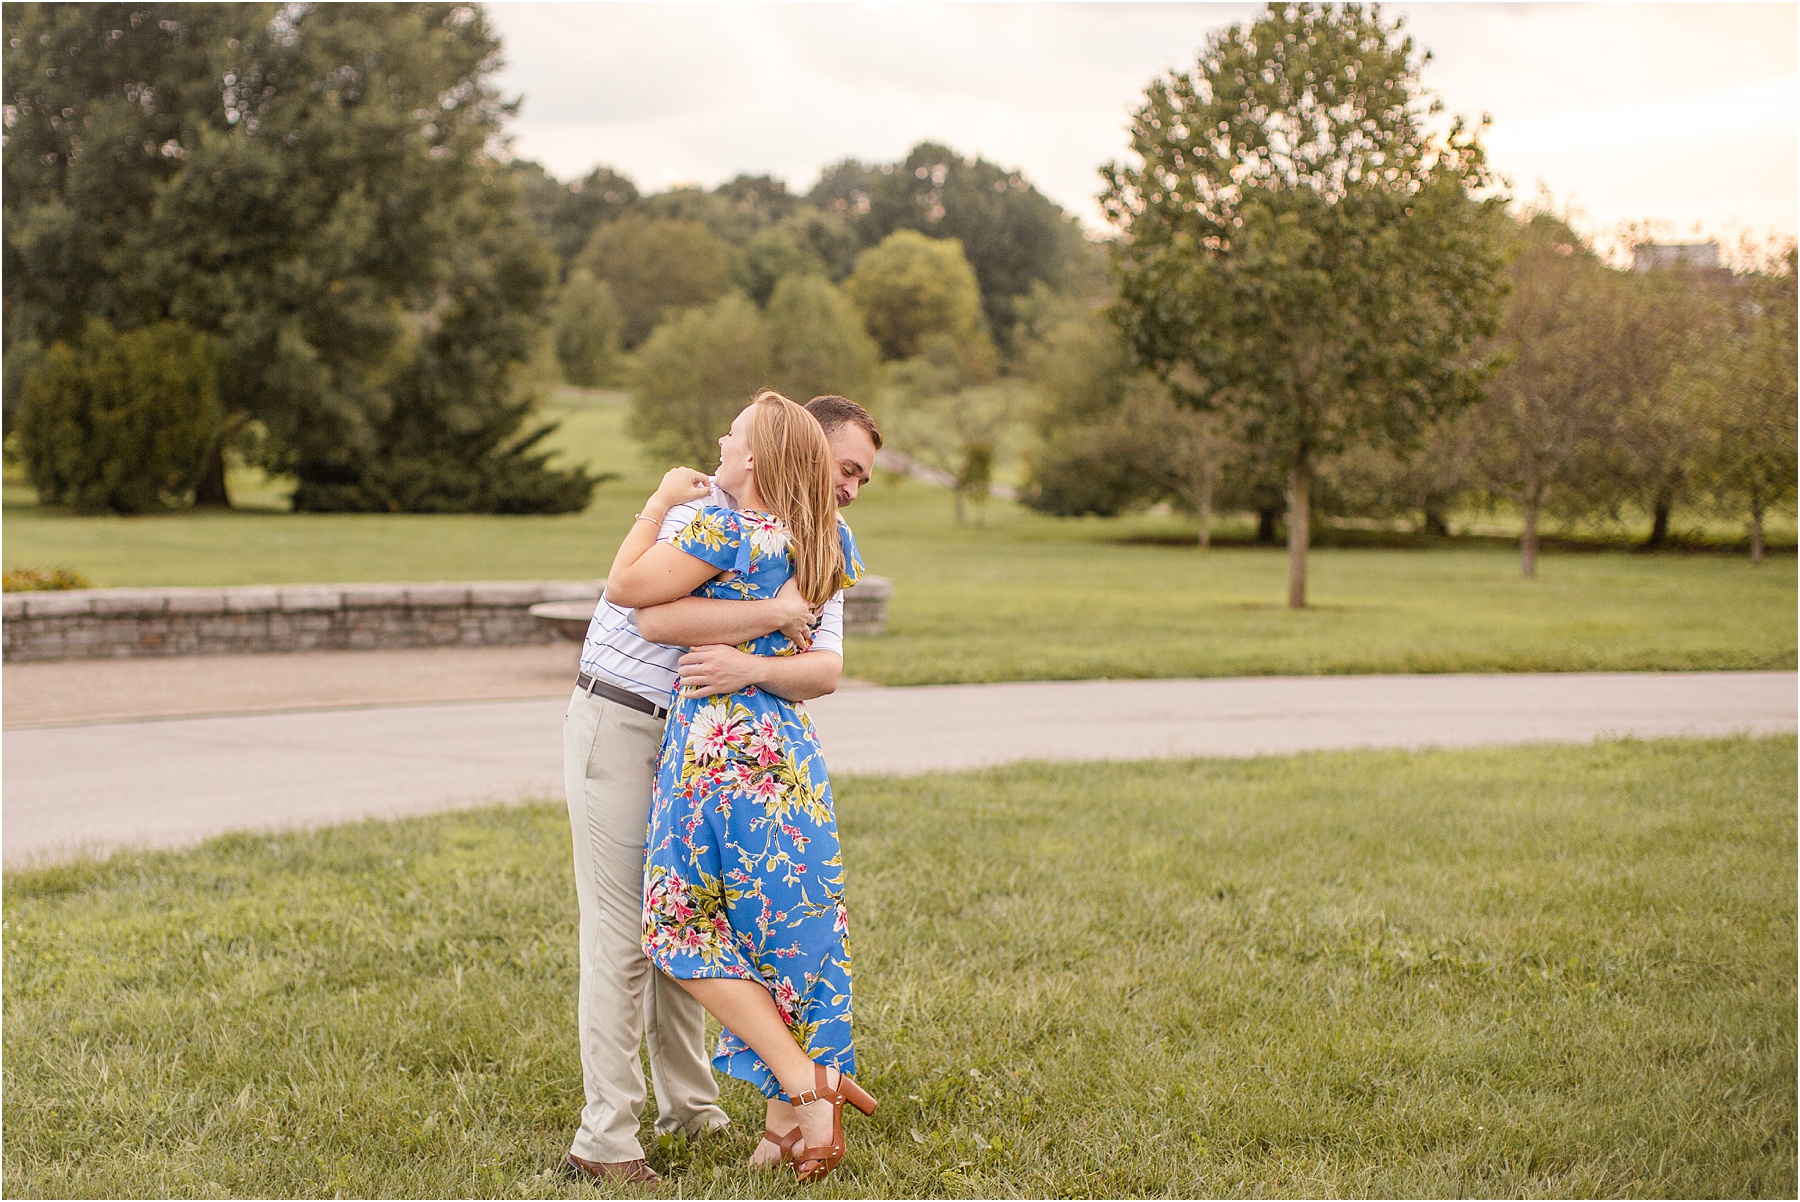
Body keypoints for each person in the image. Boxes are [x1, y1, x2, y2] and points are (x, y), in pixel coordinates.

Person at [560, 395, 881, 1187]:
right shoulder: (717, 515)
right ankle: (610, 1136)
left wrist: (754, 658)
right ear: (799, 452)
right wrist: (769, 609)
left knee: (685, 922)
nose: (847, 488)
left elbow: (821, 664)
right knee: (638, 933)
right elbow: (640, 614)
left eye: (859, 478)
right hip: (634, 717)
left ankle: (693, 1107)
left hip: (709, 743)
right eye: (843, 469)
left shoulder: (803, 534)